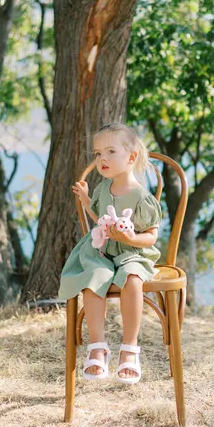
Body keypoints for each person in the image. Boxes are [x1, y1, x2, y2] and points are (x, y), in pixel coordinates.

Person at [58, 123, 162, 384]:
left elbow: (151, 235)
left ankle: (129, 349)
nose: (102, 159)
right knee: (94, 277)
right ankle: (98, 346)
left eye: (110, 151)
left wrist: (131, 238)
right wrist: (85, 200)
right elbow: (100, 219)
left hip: (133, 252)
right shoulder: (103, 189)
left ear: (131, 157)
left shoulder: (141, 196)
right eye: (97, 154)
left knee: (131, 278)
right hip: (103, 250)